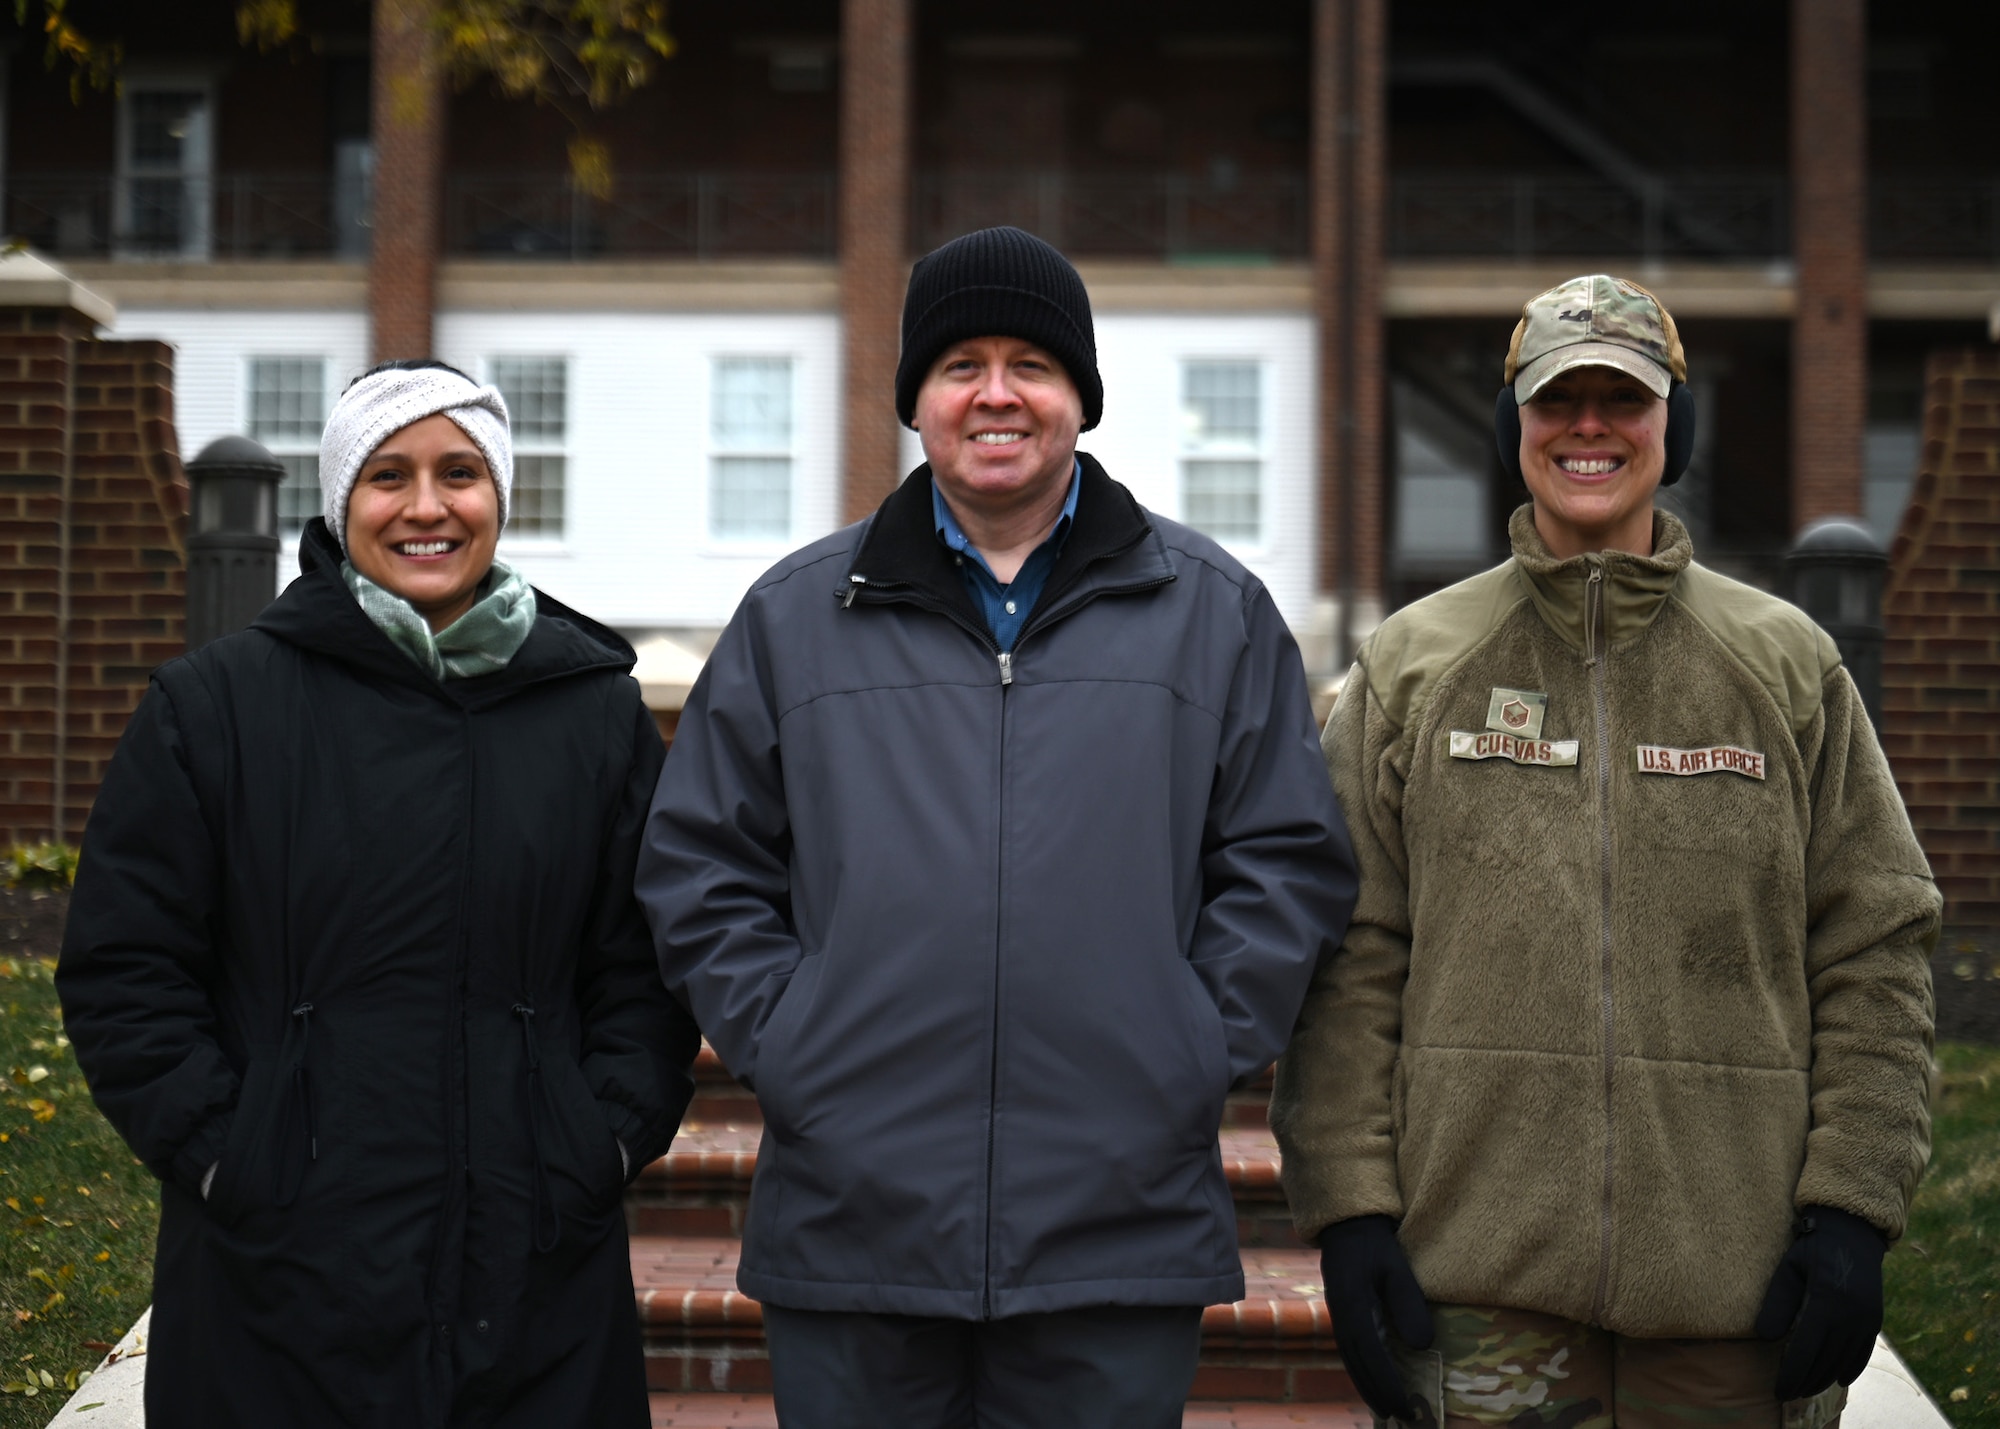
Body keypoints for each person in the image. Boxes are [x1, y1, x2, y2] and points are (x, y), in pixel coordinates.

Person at [637, 226, 1358, 1427]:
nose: (995, 393)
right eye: (959, 361)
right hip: (856, 1222)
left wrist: (1185, 1041)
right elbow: (700, 862)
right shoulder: (794, 617)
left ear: (1078, 395)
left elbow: (1285, 861)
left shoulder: (1213, 616)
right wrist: (797, 1038)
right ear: (915, 397)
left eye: (1030, 361)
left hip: (1114, 1224)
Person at [1271, 275, 1940, 1429]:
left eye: (1620, 399)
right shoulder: (1411, 666)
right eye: (1555, 399)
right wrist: (1348, 1210)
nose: (1588, 426)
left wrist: (1848, 1210)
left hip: (1737, 1306)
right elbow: (1346, 959)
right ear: (1510, 428)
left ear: (1671, 427)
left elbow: (1873, 941)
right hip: (1476, 1299)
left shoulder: (1784, 667)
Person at [58, 360, 701, 1427]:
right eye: (387, 475)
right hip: (274, 1272)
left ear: (499, 496)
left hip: (534, 1260)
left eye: (460, 472)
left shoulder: (594, 716)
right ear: (339, 500)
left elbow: (644, 968)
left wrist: (603, 1140)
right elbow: (127, 968)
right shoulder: (214, 707)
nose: (426, 507)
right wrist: (229, 1155)